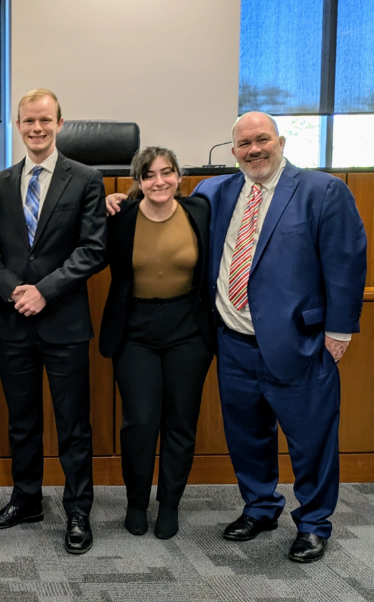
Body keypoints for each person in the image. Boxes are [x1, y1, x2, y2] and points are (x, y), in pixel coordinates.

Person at [195, 112, 366, 563]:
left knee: (311, 439)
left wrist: (339, 330)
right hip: (232, 340)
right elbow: (169, 219)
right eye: (244, 143)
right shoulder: (212, 193)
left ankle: (313, 523)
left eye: (262, 139)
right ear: (232, 151)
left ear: (281, 141)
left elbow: (346, 262)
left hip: (300, 341)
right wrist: (123, 201)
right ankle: (260, 507)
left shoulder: (321, 190)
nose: (254, 149)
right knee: (246, 435)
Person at [0, 88, 106, 555]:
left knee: (73, 423)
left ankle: (77, 511)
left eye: (45, 120)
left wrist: (44, 291)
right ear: (17, 125)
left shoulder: (87, 179)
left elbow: (93, 249)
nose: (37, 128)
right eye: (28, 121)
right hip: (13, 321)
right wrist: (14, 289)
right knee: (22, 421)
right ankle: (26, 499)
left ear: (59, 123)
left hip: (65, 322)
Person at [98, 147, 215, 540]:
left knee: (180, 421)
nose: (159, 181)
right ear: (138, 181)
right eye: (149, 175)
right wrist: (106, 199)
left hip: (188, 328)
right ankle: (136, 502)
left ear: (179, 176)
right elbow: (87, 246)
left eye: (167, 173)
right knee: (141, 421)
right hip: (136, 329)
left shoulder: (200, 211)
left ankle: (169, 504)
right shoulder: (121, 217)